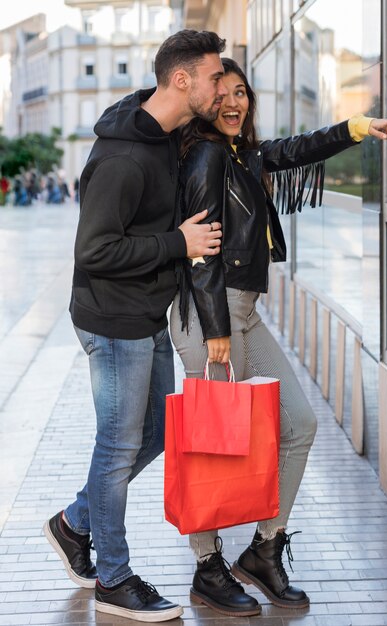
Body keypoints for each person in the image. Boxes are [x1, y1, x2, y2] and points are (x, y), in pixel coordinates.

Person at [170, 57, 387, 617]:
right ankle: (207, 567)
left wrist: (355, 128)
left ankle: (264, 549)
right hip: (211, 313)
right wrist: (217, 330)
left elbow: (297, 150)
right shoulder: (204, 153)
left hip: (241, 310)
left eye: (242, 93)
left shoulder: (241, 153)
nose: (234, 102)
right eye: (222, 93)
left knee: (298, 424)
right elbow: (200, 245)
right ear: (204, 100)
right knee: (208, 440)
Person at [43, 29, 227, 623]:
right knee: (118, 445)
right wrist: (179, 242)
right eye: (213, 76)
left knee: (155, 434)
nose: (220, 86)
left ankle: (75, 523)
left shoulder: (164, 138)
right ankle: (113, 580)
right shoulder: (123, 156)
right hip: (113, 317)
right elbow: (94, 250)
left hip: (147, 313)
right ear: (182, 80)